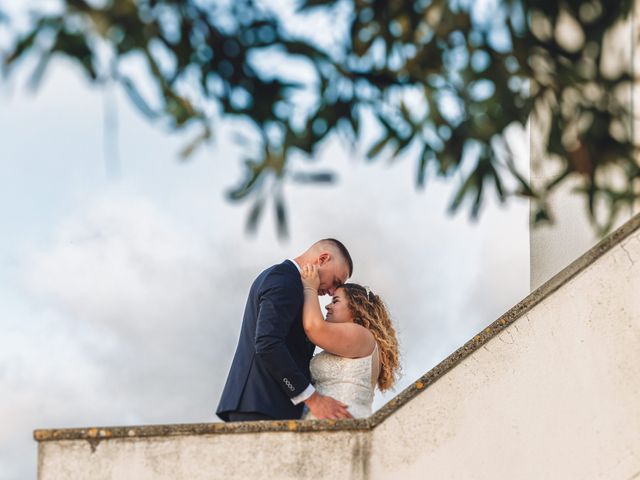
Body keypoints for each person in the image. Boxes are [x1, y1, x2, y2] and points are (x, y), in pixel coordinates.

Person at [216, 239, 355, 422]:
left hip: (267, 406)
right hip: (260, 405)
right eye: (335, 281)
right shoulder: (285, 280)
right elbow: (268, 343)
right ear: (322, 259)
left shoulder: (292, 282)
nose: (332, 291)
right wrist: (313, 399)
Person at [299, 264, 400, 419]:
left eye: (335, 301)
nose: (328, 306)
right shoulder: (353, 339)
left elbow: (314, 327)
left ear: (355, 307)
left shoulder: (361, 335)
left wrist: (310, 288)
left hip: (343, 420)